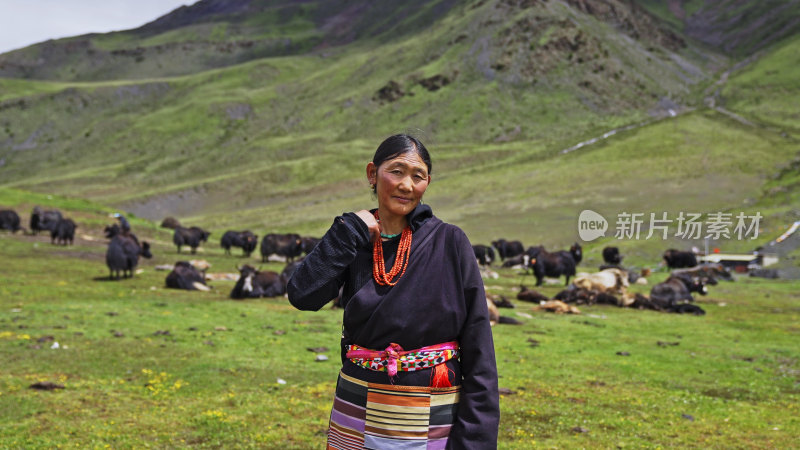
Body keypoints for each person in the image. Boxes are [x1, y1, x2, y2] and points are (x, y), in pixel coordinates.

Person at [288, 134, 499, 449]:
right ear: (372, 174)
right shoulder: (353, 238)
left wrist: (476, 437)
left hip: (429, 409)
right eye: (396, 171)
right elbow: (302, 295)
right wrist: (346, 234)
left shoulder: (450, 242)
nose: (407, 185)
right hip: (356, 403)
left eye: (418, 176)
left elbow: (478, 341)